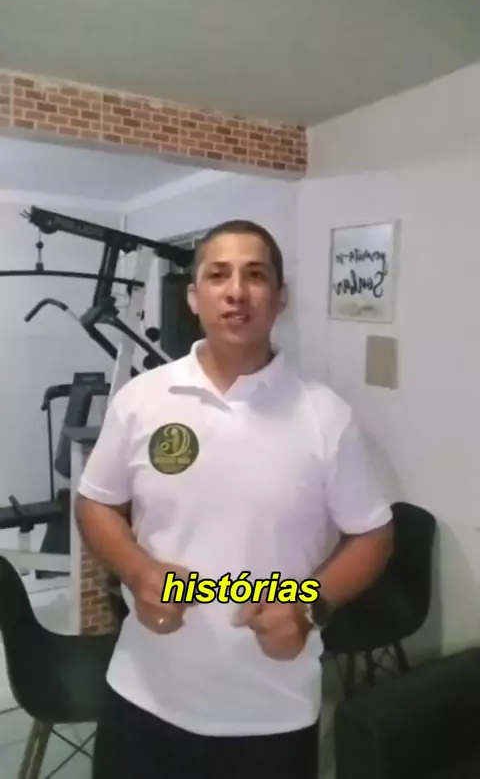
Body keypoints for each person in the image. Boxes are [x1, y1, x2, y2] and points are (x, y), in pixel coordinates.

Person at [75, 219, 394, 779]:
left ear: (280, 297)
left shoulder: (325, 416)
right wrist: (137, 568)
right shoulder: (142, 400)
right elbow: (96, 502)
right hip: (144, 697)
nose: (237, 291)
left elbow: (373, 533)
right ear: (193, 296)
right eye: (218, 275)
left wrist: (309, 606)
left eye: (256, 275)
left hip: (272, 714)